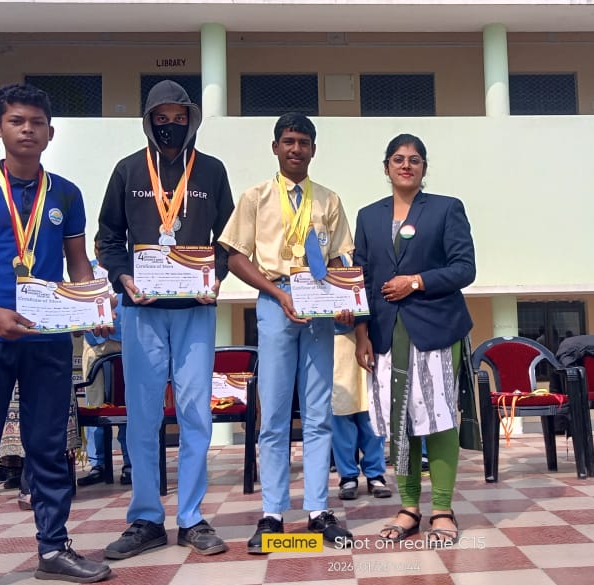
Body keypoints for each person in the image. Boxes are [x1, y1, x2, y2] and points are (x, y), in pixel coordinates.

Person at [0, 83, 111, 585]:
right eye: (16, 121)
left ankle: (54, 550)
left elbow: (78, 265)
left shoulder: (67, 193)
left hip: (50, 340)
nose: (27, 129)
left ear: (51, 133)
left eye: (36, 122)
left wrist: (94, 303)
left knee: (50, 448)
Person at [96, 80, 235, 560]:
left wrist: (215, 276)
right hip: (141, 310)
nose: (171, 125)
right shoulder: (128, 170)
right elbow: (108, 238)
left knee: (197, 414)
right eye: (162, 117)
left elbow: (229, 238)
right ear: (149, 120)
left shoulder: (212, 171)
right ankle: (145, 518)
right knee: (144, 416)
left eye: (180, 117)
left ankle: (192, 517)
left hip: (196, 311)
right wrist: (122, 278)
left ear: (191, 119)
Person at [218, 113, 355, 553]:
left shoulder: (329, 201)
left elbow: (340, 260)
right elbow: (235, 256)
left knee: (318, 414)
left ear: (314, 149)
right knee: (274, 416)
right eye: (289, 141)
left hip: (318, 308)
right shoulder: (256, 197)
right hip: (275, 300)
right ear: (275, 147)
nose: (296, 149)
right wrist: (277, 296)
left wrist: (347, 301)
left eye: (304, 142)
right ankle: (272, 514)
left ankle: (318, 511)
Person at [353, 133, 476, 546]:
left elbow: (464, 268)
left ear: (424, 168)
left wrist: (417, 281)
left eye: (415, 160)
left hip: (435, 329)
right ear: (386, 166)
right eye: (398, 159)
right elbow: (362, 279)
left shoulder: (445, 209)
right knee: (398, 422)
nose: (406, 165)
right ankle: (408, 508)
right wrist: (361, 334)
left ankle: (442, 508)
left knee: (439, 418)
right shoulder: (369, 216)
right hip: (386, 334)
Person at [331, 259, 391, 502]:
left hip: (368, 341)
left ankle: (376, 474)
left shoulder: (361, 259)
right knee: (341, 413)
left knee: (371, 413)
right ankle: (348, 476)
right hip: (335, 343)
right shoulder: (320, 260)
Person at [77, 252, 132, 487]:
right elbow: (81, 298)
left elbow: (128, 295)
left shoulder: (124, 268)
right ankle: (97, 463)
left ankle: (131, 463)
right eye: (101, 249)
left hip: (126, 340)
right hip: (94, 342)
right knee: (94, 402)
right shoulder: (86, 270)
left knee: (126, 404)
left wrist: (113, 300)